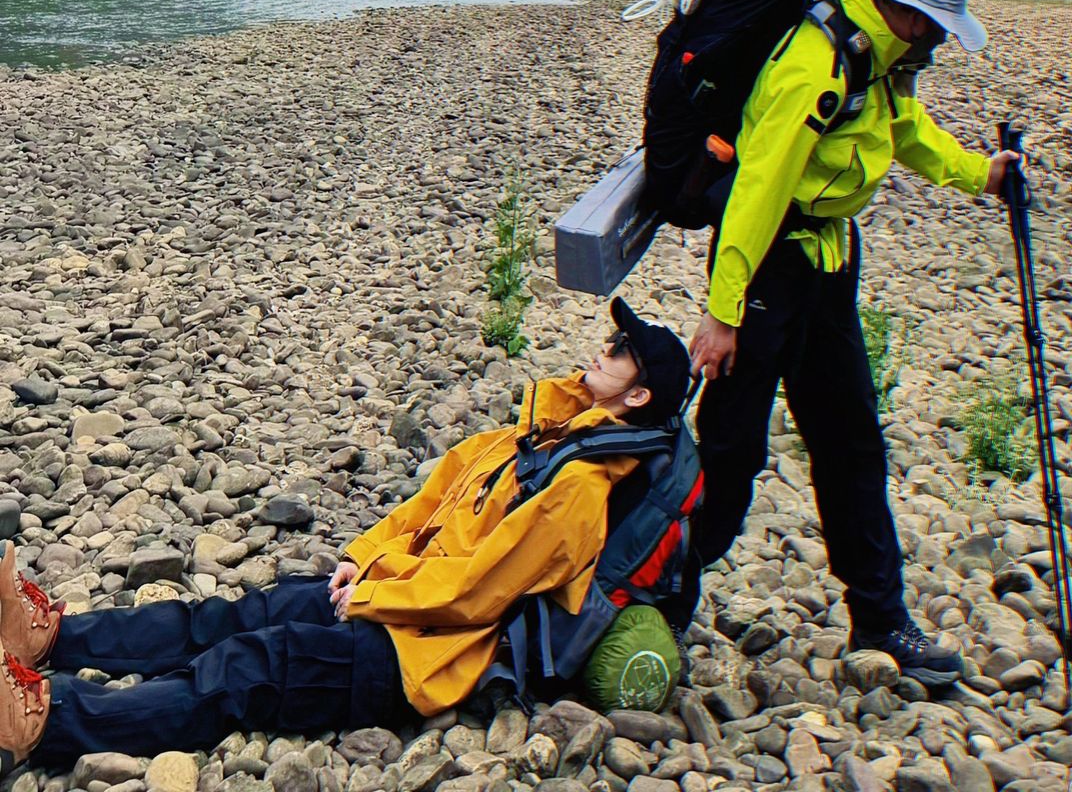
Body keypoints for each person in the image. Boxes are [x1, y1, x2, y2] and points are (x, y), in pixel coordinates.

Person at [0, 301, 690, 767]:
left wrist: (374, 597)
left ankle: (46, 722)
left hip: (426, 653)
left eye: (622, 350)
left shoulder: (578, 491)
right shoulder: (539, 436)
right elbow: (426, 505)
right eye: (613, 338)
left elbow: (480, 591)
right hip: (390, 594)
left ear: (638, 397)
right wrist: (362, 558)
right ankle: (53, 639)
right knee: (231, 617)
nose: (604, 347)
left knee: (245, 671)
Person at [686, 0, 1020, 685]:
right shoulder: (819, 63)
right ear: (912, 15)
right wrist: (723, 312)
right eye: (939, 30)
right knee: (731, 452)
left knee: (851, 443)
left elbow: (908, 133)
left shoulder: (882, 58)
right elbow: (760, 184)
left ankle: (880, 618)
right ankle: (650, 594)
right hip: (767, 261)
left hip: (829, 260)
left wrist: (982, 174)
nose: (940, 44)